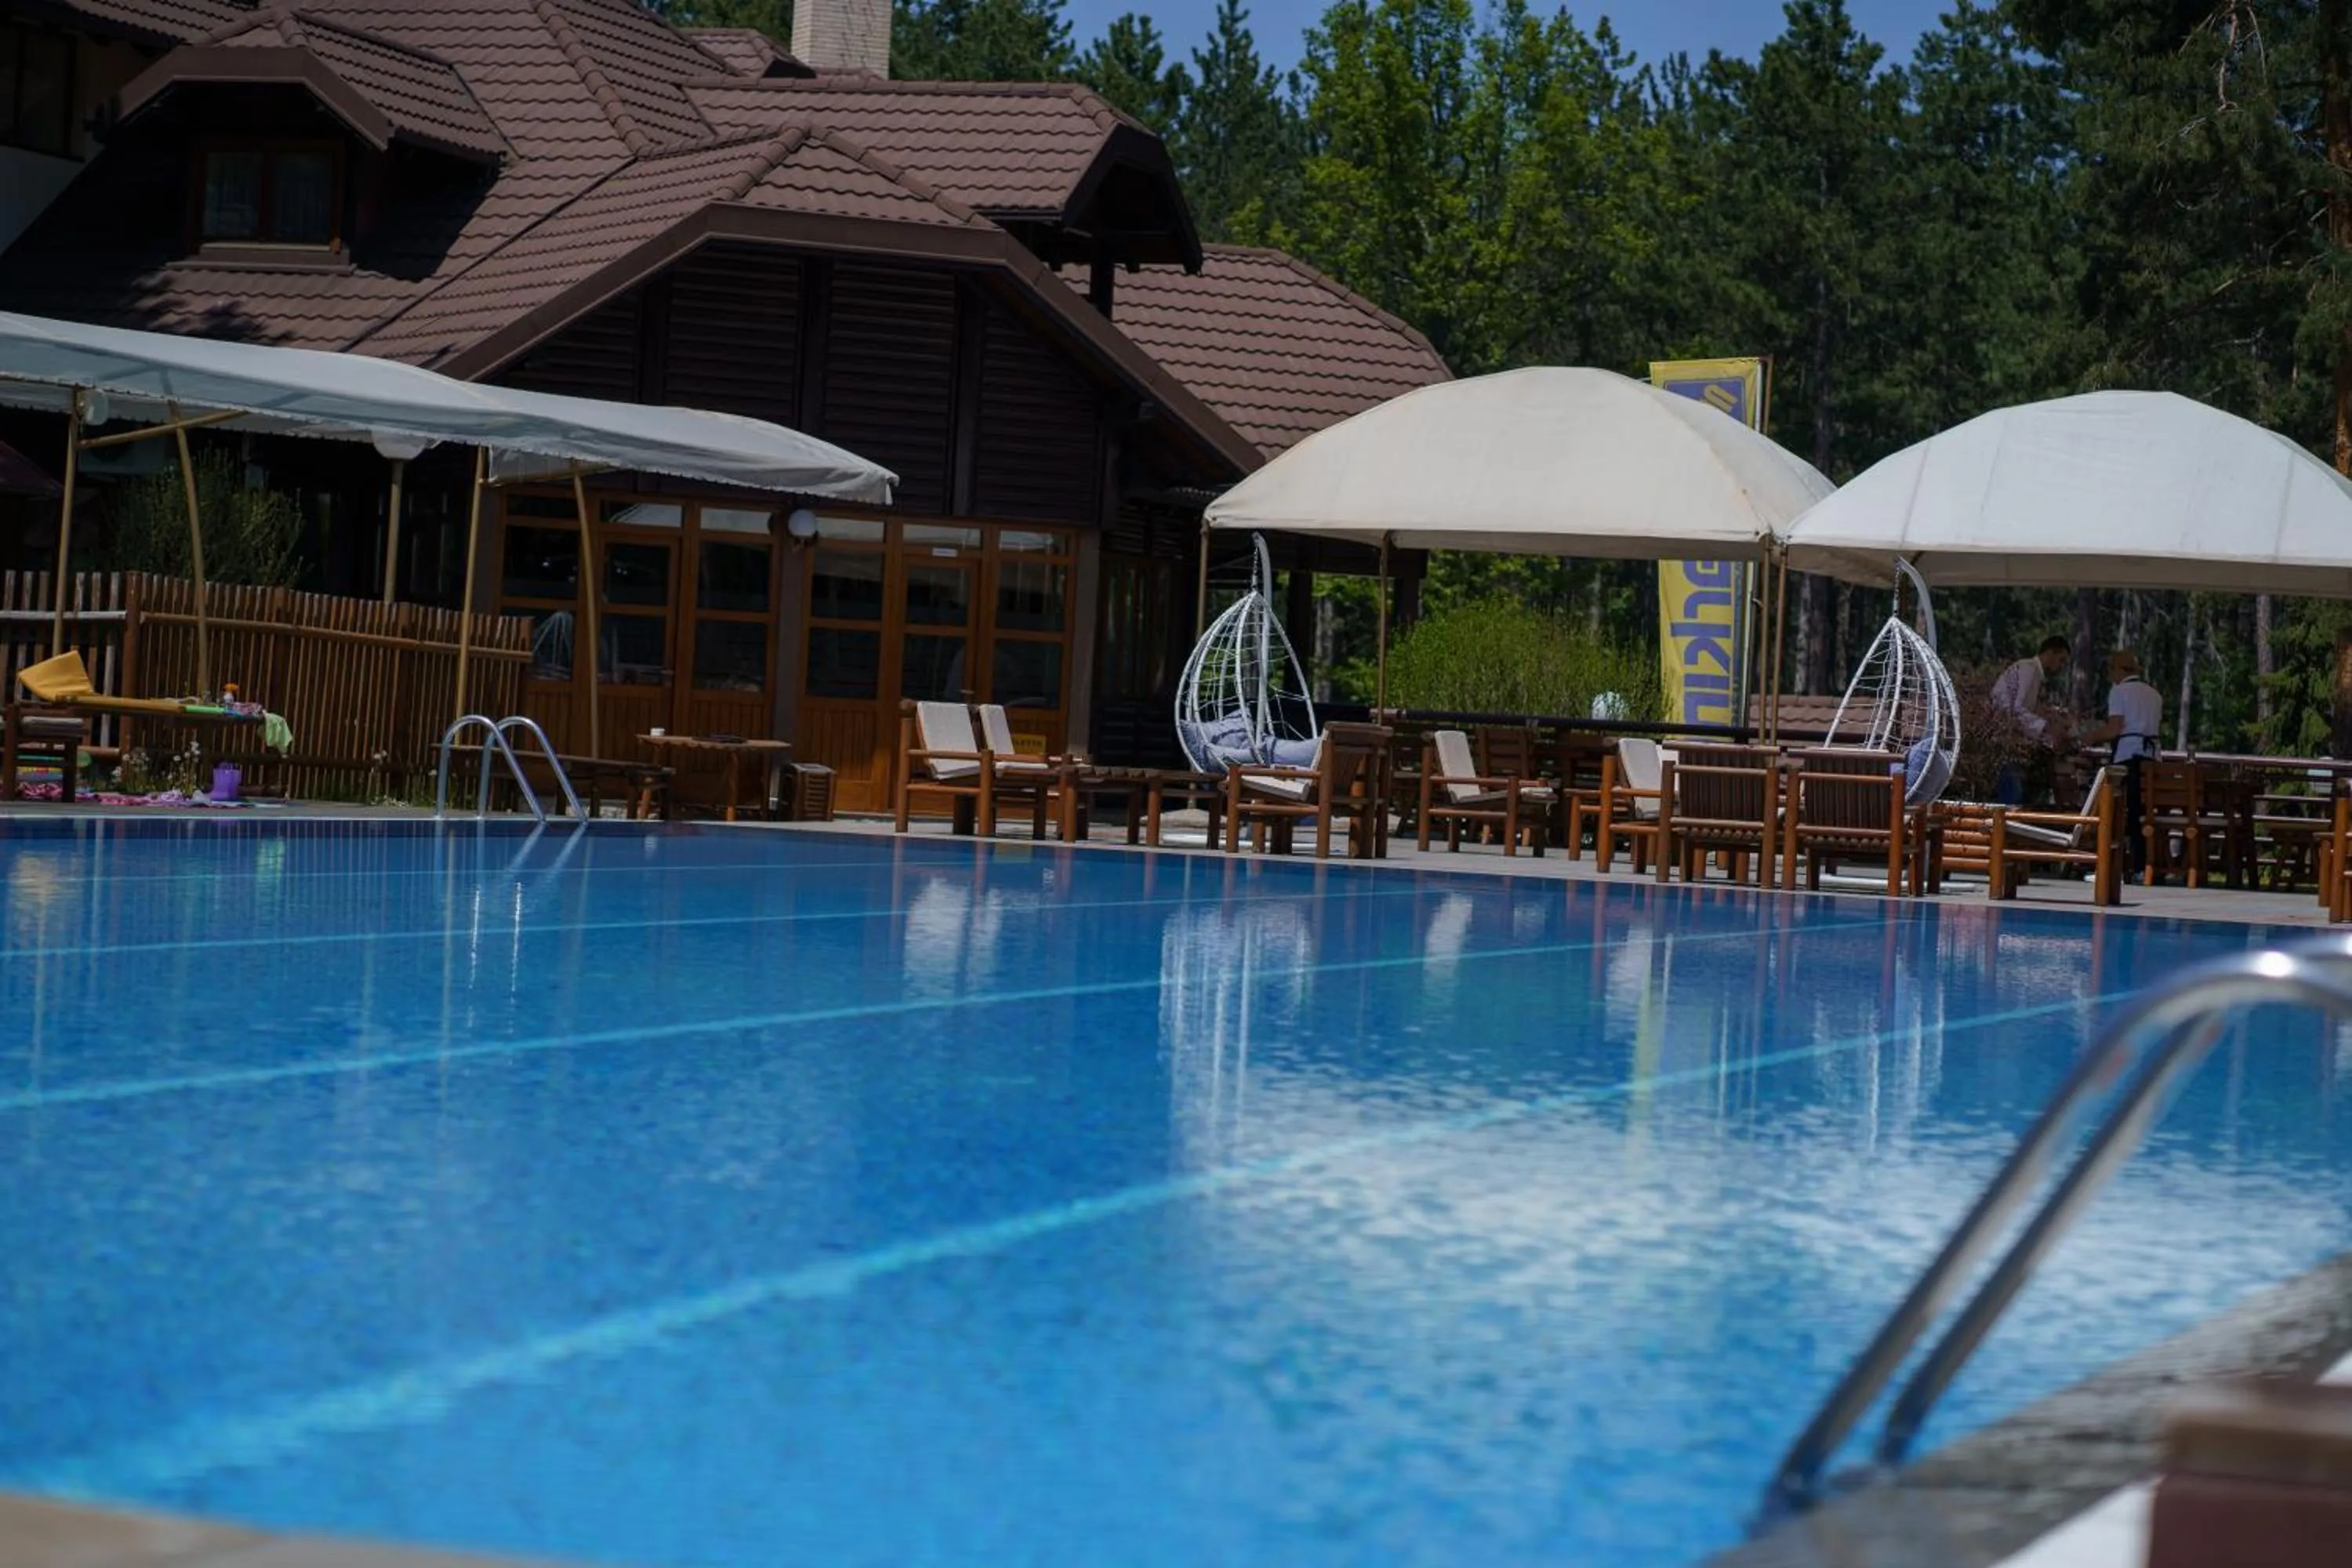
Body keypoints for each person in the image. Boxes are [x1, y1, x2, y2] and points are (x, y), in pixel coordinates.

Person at [2085, 648, 2163, 877]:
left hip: (2128, 756)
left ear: (2118, 670)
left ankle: (2114, 865)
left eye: (2110, 669)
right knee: (2144, 811)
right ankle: (2143, 865)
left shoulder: (2119, 692)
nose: (2109, 675)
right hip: (2152, 759)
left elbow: (2115, 728)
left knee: (2117, 809)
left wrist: (2089, 737)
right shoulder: (2154, 694)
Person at [1988, 635, 2071, 802]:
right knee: (2012, 794)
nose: (2061, 667)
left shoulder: (2032, 673)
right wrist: (2046, 727)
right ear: (2050, 653)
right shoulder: (2028, 669)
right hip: (2006, 740)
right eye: (2061, 660)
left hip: (2011, 738)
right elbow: (2015, 708)